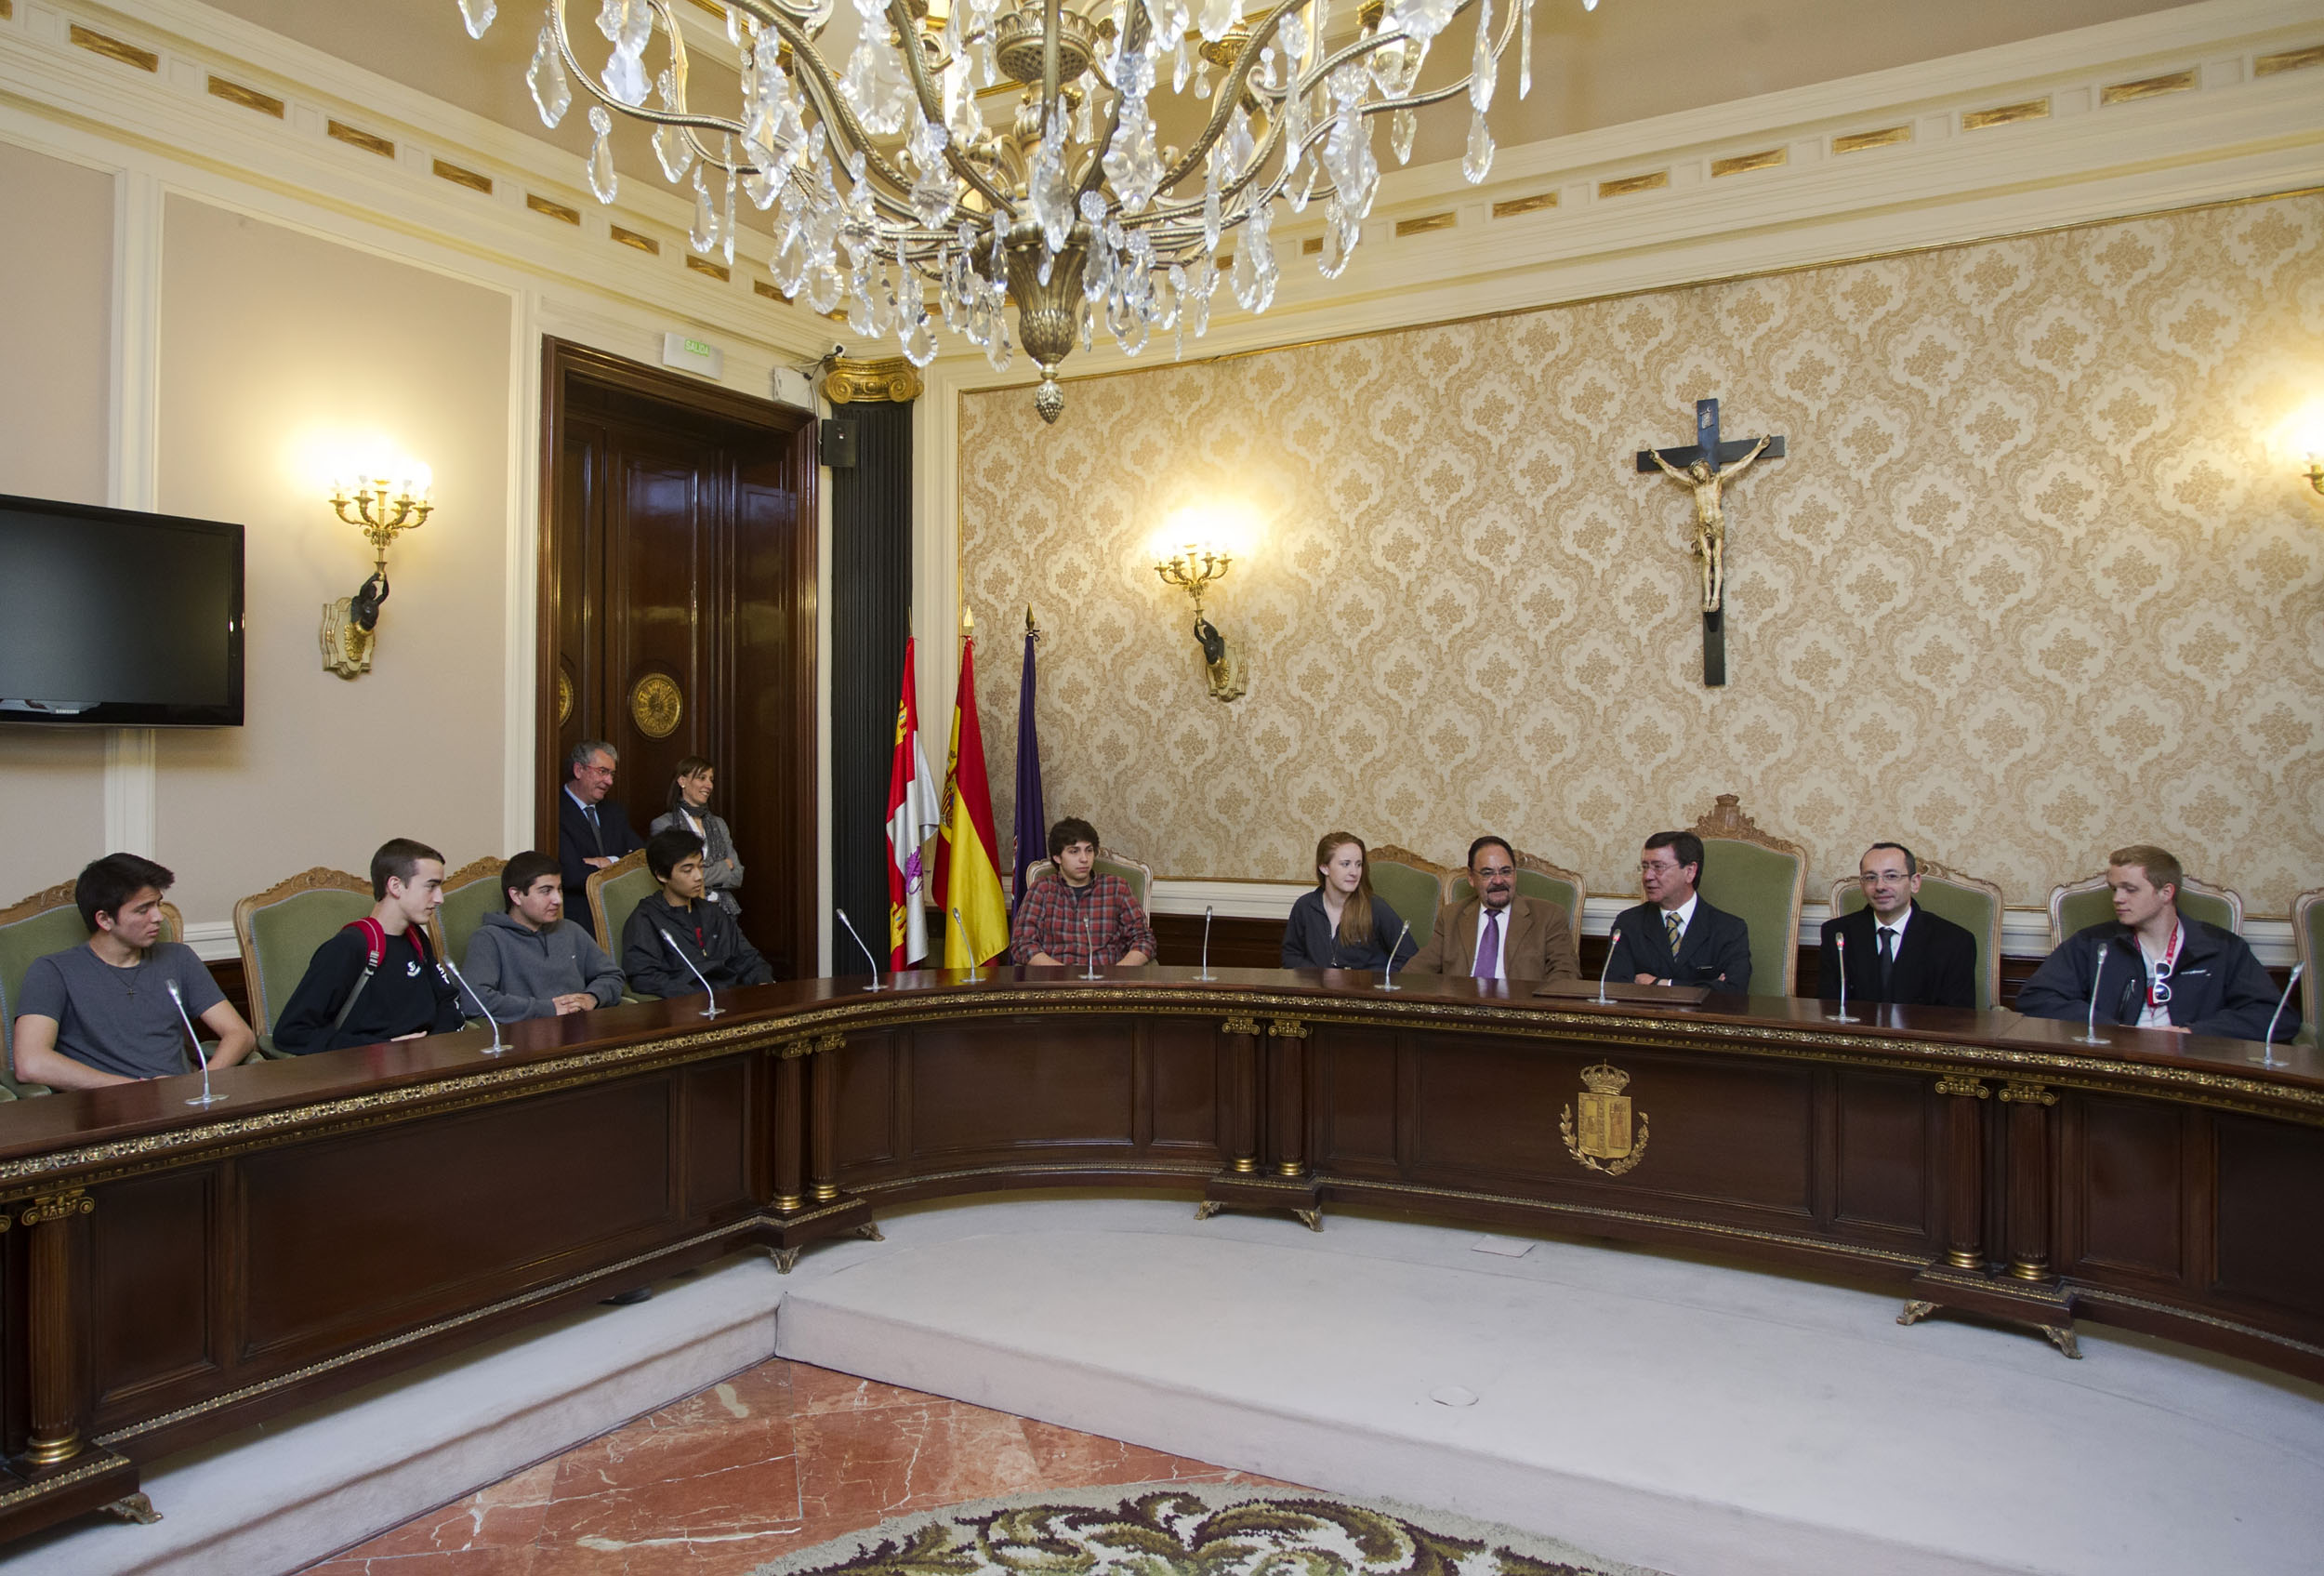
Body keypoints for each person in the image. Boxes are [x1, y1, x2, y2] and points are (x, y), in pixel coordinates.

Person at [10, 853, 257, 1090]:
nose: (158, 917)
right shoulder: (52, 971)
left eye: (158, 904)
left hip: (182, 1100)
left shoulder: (179, 958)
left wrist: (201, 1082)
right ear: (104, 919)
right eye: (143, 909)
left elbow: (240, 1034)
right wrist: (137, 1090)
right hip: (104, 1105)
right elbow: (31, 1063)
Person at [2017, 844, 2292, 1040]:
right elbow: (2036, 998)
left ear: (2166, 892)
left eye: (2130, 889)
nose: (2117, 899)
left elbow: (2276, 1017)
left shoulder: (2221, 947)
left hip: (2193, 1064)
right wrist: (2110, 1029)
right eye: (2114, 889)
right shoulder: (2092, 943)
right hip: (2113, 1060)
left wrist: (2193, 1033)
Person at [274, 839, 467, 1053]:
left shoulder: (416, 937)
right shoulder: (348, 946)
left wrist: (432, 1043)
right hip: (372, 1066)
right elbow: (292, 1033)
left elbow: (448, 1000)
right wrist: (384, 1049)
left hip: (429, 1059)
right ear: (395, 886)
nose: (439, 898)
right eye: (431, 886)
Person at [462, 851, 627, 1022]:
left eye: (559, 889)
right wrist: (548, 1009)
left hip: (580, 1027)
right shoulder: (489, 938)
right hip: (526, 1032)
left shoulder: (571, 930)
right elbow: (473, 1000)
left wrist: (593, 997)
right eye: (546, 891)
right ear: (516, 896)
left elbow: (613, 976)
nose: (558, 900)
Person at [1818, 842, 1978, 1010]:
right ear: (1862, 886)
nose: (1880, 886)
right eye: (1871, 878)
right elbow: (1829, 1007)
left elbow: (1957, 1017)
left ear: (1914, 883)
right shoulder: (1837, 933)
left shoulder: (1955, 942)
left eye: (1891, 876)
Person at [622, 828, 772, 1000]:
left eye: (700, 867)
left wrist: (763, 982)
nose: (698, 877)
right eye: (687, 870)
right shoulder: (646, 918)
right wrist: (693, 997)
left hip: (731, 998)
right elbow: (644, 977)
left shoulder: (713, 912)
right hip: (687, 1005)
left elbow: (747, 958)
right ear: (662, 875)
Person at [1409, 836, 1580, 983]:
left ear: (1515, 874)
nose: (1498, 881)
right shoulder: (1451, 916)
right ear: (1471, 878)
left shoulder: (1548, 916)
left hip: (1520, 1007)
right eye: (1487, 873)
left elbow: (1566, 973)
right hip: (1460, 1007)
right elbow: (1416, 971)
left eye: (1505, 872)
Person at [1604, 830, 1753, 993]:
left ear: (1690, 871)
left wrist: (1659, 983)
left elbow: (1734, 991)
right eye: (1645, 867)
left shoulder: (1729, 929)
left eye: (1658, 867)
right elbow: (1615, 988)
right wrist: (1709, 986)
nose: (1647, 876)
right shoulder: (1628, 924)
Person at [1010, 817, 1156, 967]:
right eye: (1074, 851)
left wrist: (1117, 973)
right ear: (1057, 857)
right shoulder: (1042, 889)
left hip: (1107, 976)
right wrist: (1060, 973)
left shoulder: (1117, 888)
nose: (1084, 859)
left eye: (1089, 850)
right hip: (1055, 977)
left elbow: (1144, 940)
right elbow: (1022, 943)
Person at [1281, 831, 1420, 972]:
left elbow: (1409, 957)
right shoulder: (1305, 906)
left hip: (1367, 985)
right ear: (1324, 868)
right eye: (1345, 864)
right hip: (1318, 985)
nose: (1354, 872)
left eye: (1358, 864)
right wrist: (1322, 976)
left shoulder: (1375, 907)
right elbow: (1290, 956)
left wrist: (1376, 979)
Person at [560, 739, 644, 939]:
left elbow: (640, 857)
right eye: (602, 772)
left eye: (612, 774)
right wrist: (619, 863)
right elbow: (572, 874)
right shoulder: (554, 811)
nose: (609, 782)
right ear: (579, 770)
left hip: (620, 914)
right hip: (578, 920)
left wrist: (606, 861)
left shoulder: (614, 812)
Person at [650, 756, 744, 917]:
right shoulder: (664, 825)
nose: (709, 785)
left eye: (711, 779)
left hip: (724, 911)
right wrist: (723, 867)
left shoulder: (719, 824)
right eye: (702, 778)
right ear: (682, 781)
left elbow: (737, 875)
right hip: (685, 913)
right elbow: (675, 877)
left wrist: (698, 874)